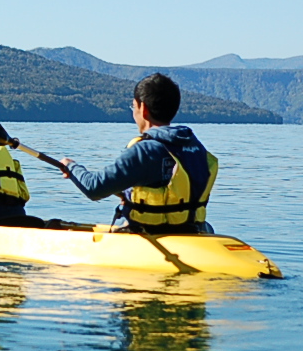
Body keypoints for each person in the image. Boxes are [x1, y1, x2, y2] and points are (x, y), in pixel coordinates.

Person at [59, 73, 218, 233]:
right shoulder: (195, 147)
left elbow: (94, 187)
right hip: (194, 232)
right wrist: (125, 193)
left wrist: (71, 167)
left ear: (143, 109)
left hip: (147, 237)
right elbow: (164, 184)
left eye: (134, 107)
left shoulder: (144, 151)